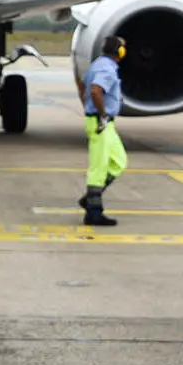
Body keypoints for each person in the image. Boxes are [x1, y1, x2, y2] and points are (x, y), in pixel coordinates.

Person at [79, 34, 128, 226]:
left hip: (106, 123)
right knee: (98, 167)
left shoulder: (99, 64)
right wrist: (102, 113)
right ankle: (93, 212)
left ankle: (90, 197)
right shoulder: (106, 68)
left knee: (118, 162)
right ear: (120, 51)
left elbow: (84, 83)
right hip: (101, 121)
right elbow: (95, 90)